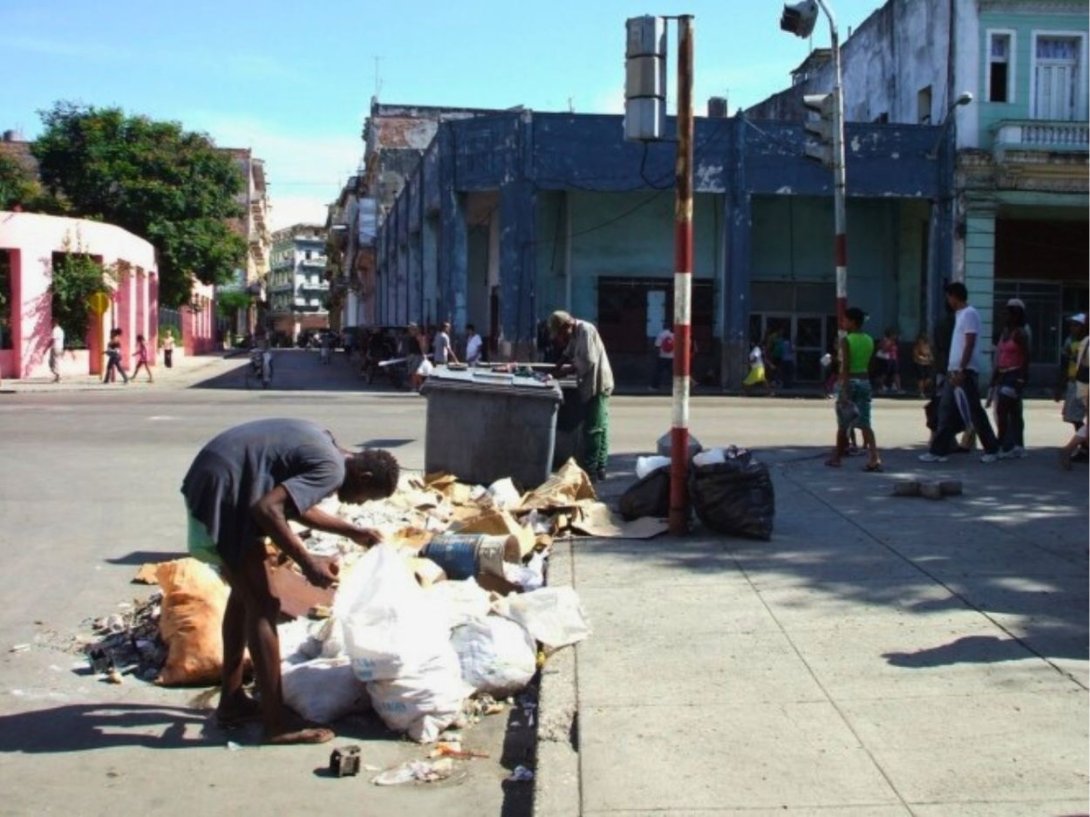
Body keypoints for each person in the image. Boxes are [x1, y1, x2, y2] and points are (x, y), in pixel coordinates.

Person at [181, 419, 398, 745]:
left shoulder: (330, 448)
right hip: (225, 488)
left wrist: (352, 531)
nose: (358, 504)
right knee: (264, 604)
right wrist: (307, 562)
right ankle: (275, 723)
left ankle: (232, 700)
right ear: (363, 477)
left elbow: (288, 505)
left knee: (246, 597)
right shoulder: (332, 471)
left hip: (220, 475)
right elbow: (267, 509)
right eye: (366, 497)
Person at [919, 282, 1000, 463]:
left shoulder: (969, 314)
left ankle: (992, 449)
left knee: (974, 411)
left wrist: (962, 369)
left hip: (964, 372)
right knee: (945, 410)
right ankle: (938, 451)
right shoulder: (960, 314)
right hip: (953, 371)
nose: (948, 300)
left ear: (955, 296)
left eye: (949, 296)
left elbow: (969, 342)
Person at [548, 310, 614, 481]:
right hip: (590, 382)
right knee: (601, 426)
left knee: (594, 428)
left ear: (568, 325)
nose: (562, 337)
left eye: (562, 333)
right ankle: (600, 468)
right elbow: (567, 353)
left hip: (597, 383)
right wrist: (553, 370)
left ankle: (592, 470)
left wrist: (559, 374)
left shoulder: (586, 330)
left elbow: (587, 361)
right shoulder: (575, 333)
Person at [826, 307, 882, 471]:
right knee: (865, 422)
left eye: (845, 320)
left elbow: (846, 366)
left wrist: (842, 387)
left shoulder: (846, 340)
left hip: (850, 382)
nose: (843, 323)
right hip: (865, 381)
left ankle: (837, 457)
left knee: (843, 423)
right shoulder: (869, 340)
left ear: (853, 322)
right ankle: (874, 456)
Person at [989, 298, 1029, 459]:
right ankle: (1017, 446)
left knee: (1002, 411)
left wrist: (1021, 379)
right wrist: (994, 377)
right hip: (1003, 375)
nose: (1004, 316)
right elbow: (1001, 357)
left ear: (1015, 316)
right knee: (1013, 411)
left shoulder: (1020, 333)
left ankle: (1000, 447)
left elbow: (1026, 357)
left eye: (1008, 314)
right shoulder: (1005, 333)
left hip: (1014, 375)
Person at [1055, 313, 1088, 460]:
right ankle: (1083, 448)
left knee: (1076, 417)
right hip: (1074, 382)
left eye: (1076, 325)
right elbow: (1064, 364)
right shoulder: (1070, 342)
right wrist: (1060, 386)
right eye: (1072, 325)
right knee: (1073, 417)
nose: (1072, 328)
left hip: (1083, 383)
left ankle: (1080, 448)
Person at [876, 329, 902, 393]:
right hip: (886, 359)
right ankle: (880, 388)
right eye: (894, 335)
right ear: (891, 335)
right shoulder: (886, 340)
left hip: (893, 359)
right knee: (884, 374)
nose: (896, 336)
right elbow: (884, 349)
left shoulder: (895, 341)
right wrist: (890, 345)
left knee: (896, 374)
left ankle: (899, 389)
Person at [651, 324, 674, 391]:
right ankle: (675, 386)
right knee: (674, 373)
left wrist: (657, 355)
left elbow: (657, 345)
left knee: (658, 372)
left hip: (662, 356)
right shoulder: (677, 334)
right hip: (673, 357)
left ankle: (654, 386)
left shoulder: (662, 334)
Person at [912, 333, 934, 397]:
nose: (921, 341)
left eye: (922, 339)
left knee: (928, 379)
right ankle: (921, 392)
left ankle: (921, 389)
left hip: (927, 364)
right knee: (921, 378)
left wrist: (931, 358)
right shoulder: (916, 346)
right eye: (920, 339)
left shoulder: (927, 346)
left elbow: (930, 354)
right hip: (919, 364)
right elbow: (916, 355)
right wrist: (924, 359)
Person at [48, 319, 65, 383]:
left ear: (55, 323)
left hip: (55, 348)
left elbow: (52, 340)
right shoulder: (61, 330)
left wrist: (46, 348)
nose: (51, 324)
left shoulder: (55, 330)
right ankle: (57, 377)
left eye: (51, 322)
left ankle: (59, 376)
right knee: (55, 362)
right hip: (60, 347)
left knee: (53, 362)